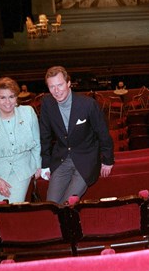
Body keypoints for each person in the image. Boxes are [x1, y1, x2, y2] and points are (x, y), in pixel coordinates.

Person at [39, 65, 114, 205]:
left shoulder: (88, 104)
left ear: (68, 83)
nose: (56, 91)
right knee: (51, 204)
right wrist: (45, 164)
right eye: (52, 87)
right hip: (61, 158)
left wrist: (108, 160)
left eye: (60, 85)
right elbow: (45, 135)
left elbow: (102, 132)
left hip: (86, 159)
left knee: (67, 204)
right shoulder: (47, 104)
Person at [0, 77, 42, 208]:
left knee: (13, 212)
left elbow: (36, 142)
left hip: (21, 172)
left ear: (17, 97)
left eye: (11, 96)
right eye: (2, 97)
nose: (7, 102)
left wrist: (37, 164)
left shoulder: (28, 112)